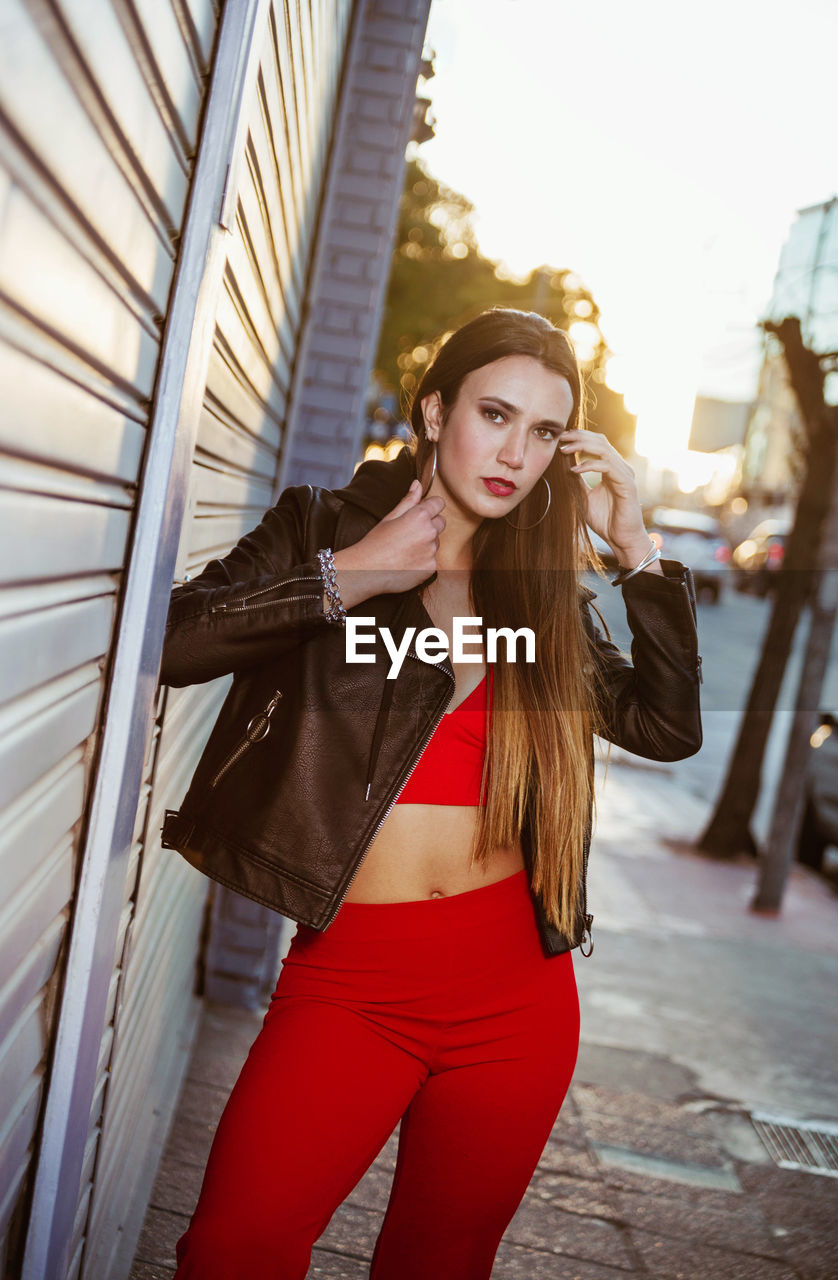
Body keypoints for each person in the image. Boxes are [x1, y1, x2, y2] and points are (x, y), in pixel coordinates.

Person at [160, 307, 703, 1279]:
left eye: (543, 431)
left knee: (437, 1263)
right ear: (432, 407)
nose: (516, 451)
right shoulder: (321, 525)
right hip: (351, 985)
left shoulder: (544, 593)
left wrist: (637, 553)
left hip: (515, 999)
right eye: (495, 413)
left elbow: (664, 726)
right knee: (234, 1246)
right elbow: (176, 640)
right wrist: (352, 577)